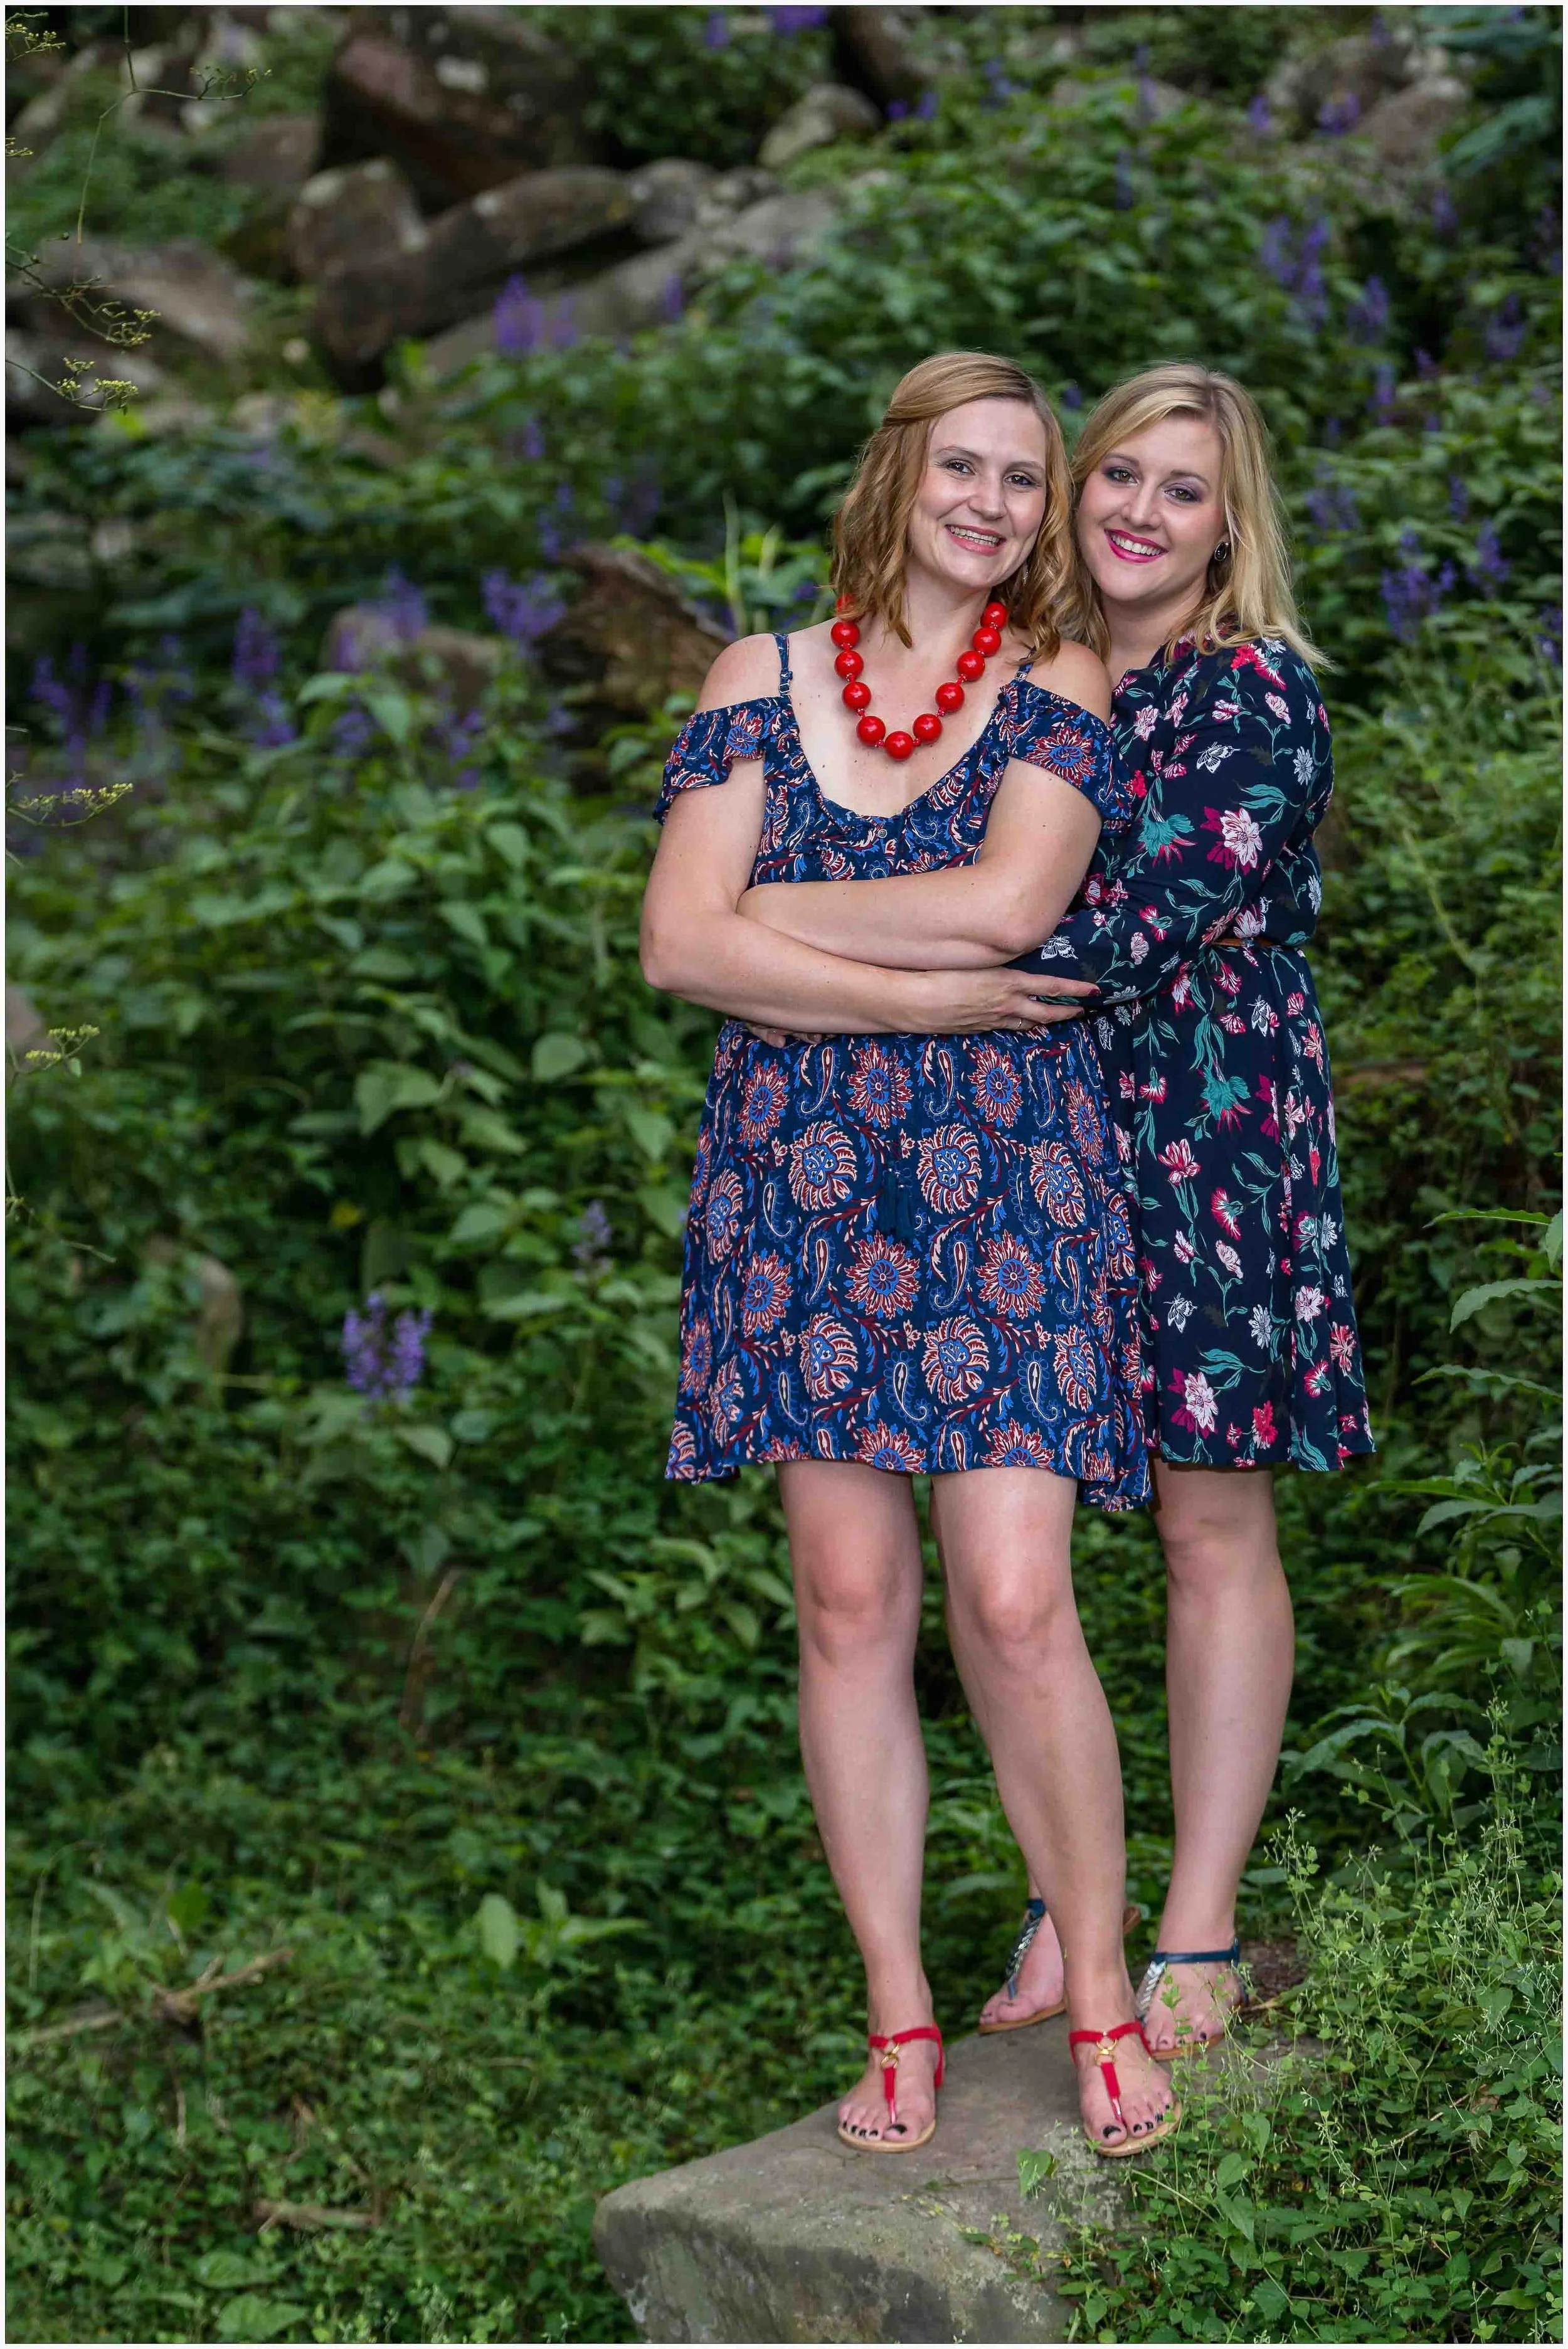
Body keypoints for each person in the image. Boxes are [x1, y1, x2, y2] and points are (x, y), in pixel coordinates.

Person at [730, 360, 1374, 2060]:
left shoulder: (1251, 697)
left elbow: (1065, 937)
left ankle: (1195, 1931)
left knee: (1200, 1524)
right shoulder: (1027, 672)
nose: (1138, 514)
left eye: (1182, 489)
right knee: (1023, 1577)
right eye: (1115, 480)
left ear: (1230, 522)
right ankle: (1059, 1901)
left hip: (1201, 1136)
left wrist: (772, 923)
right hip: (1016, 1132)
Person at [640, 351, 1177, 2158]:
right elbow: (668, 954)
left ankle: (1101, 1997)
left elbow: (1013, 906)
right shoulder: (755, 678)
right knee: (848, 1608)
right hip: (799, 1187)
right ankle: (898, 2020)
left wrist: (767, 918)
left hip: (1008, 1182)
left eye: (1024, 481)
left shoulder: (1059, 679)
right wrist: (924, 989)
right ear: (897, 471)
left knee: (1017, 1603)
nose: (996, 504)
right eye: (966, 466)